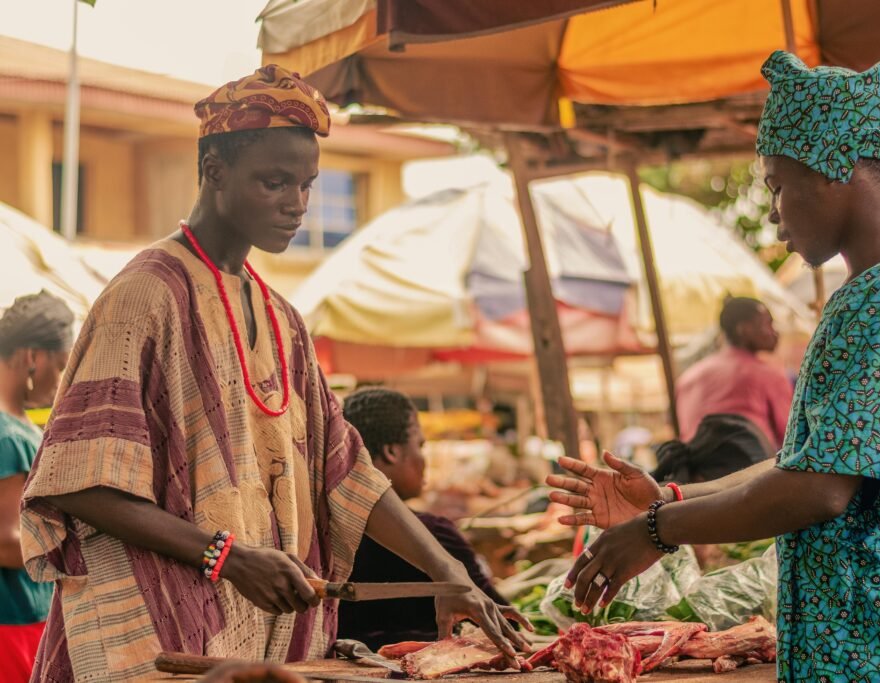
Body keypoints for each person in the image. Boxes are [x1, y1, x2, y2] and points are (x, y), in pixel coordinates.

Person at [19, 66, 526, 682]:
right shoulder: (143, 297)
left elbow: (347, 470)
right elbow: (76, 481)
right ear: (213, 172)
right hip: (146, 648)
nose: (297, 205)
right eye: (274, 182)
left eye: (308, 185)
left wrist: (446, 572)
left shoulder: (282, 316)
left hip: (248, 648)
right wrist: (227, 558)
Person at [547, 51, 880, 680]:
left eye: (778, 185)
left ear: (832, 164)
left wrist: (656, 530)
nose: (773, 210)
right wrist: (673, 496)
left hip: (875, 658)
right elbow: (812, 462)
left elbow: (817, 490)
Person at [339, 388, 511, 649]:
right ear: (391, 452)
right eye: (420, 445)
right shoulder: (435, 535)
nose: (424, 459)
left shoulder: (327, 533)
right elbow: (505, 627)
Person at [0, 293, 73, 682]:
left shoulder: (16, 429)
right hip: (13, 625)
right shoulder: (10, 437)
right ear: (33, 358)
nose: (61, 382)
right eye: (61, 367)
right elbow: (8, 543)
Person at [674, 296, 793, 449]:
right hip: (753, 470)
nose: (775, 332)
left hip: (691, 471)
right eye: (768, 324)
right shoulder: (767, 374)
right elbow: (791, 438)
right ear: (744, 329)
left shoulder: (688, 377)